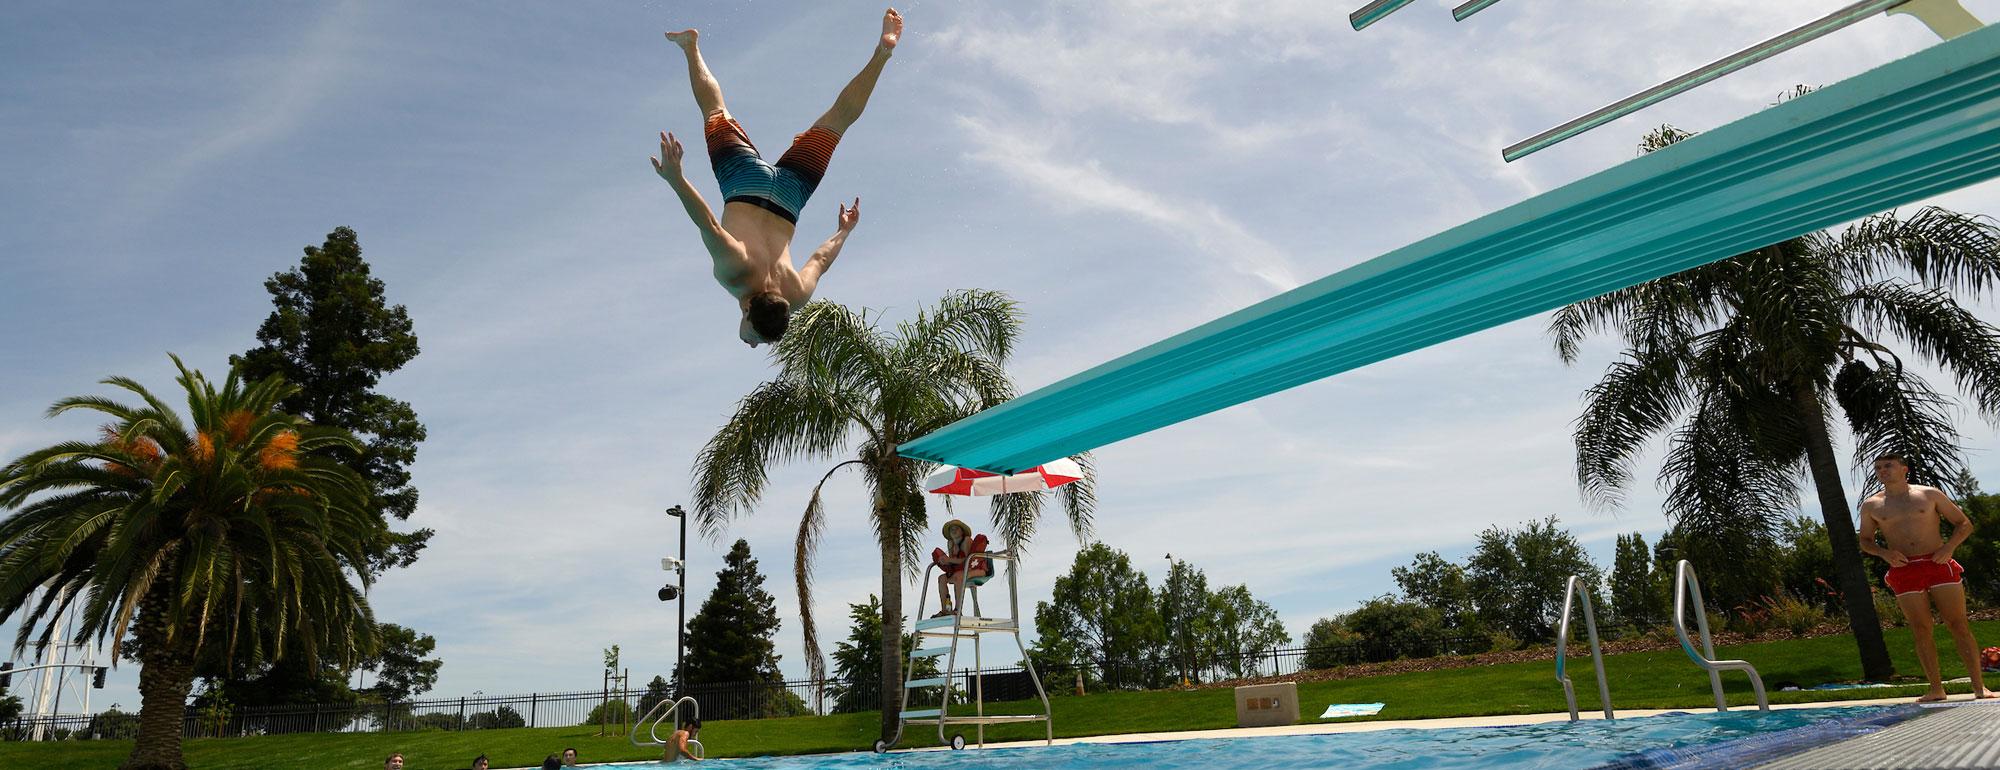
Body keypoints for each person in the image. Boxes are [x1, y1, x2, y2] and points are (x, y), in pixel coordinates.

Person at [651, 8, 903, 348]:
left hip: (790, 196)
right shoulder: (735, 273)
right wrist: (676, 179)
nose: (751, 341)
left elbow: (820, 260)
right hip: (743, 182)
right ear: (747, 310)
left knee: (837, 122)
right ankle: (690, 47)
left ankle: (882, 53)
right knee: (714, 111)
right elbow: (708, 223)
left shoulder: (795, 295)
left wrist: (843, 231)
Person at [1858, 452, 2000, 702]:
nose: (1882, 470)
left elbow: (1963, 524)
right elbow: (1866, 542)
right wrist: (1884, 553)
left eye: (1888, 465)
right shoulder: (1872, 505)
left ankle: (1979, 687)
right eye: (1878, 467)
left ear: (1904, 469)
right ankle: (1936, 689)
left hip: (1937, 562)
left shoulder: (1929, 494)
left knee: (1958, 624)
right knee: (1921, 629)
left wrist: (1949, 548)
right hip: (1904, 569)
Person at [931, 519, 991, 618]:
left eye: (956, 529)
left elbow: (966, 560)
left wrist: (949, 559)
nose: (953, 531)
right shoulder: (950, 543)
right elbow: (952, 562)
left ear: (962, 531)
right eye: (951, 530)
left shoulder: (966, 541)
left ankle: (958, 610)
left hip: (978, 569)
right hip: (962, 570)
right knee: (942, 578)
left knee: (959, 577)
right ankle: (945, 610)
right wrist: (945, 561)